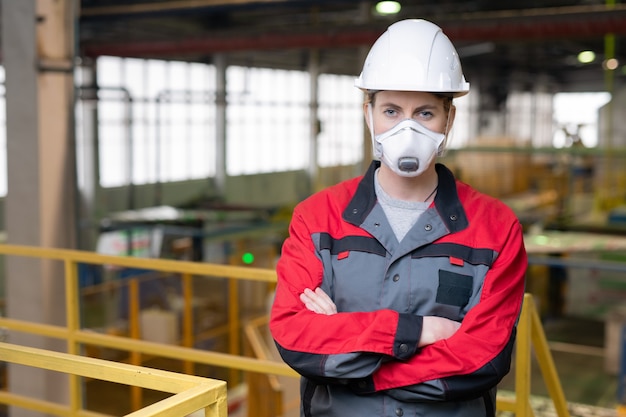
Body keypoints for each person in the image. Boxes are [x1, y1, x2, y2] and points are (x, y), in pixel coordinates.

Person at [269, 18, 527, 417]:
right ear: (368, 115)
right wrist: (422, 332)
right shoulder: (316, 217)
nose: (407, 129)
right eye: (391, 110)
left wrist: (354, 352)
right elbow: (296, 339)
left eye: (425, 113)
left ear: (449, 120)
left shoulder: (496, 228)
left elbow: (482, 360)